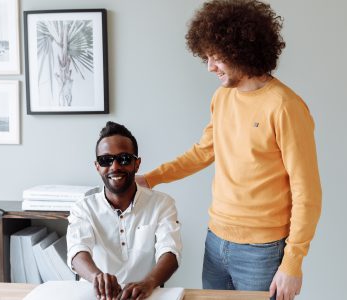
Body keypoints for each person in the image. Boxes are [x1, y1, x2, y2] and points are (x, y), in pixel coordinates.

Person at [136, 1, 322, 299]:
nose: (210, 67)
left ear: (241, 51)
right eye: (206, 57)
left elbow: (307, 193)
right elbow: (203, 152)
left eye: (215, 57)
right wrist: (150, 179)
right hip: (215, 241)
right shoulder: (222, 98)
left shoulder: (285, 107)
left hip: (263, 251)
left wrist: (293, 263)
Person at [67, 121, 182, 300]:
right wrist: (97, 278)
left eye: (124, 159)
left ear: (137, 164)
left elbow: (170, 251)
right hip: (95, 295)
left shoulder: (162, 204)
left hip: (145, 294)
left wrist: (149, 282)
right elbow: (77, 251)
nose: (115, 167)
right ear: (97, 166)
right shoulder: (83, 208)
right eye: (106, 160)